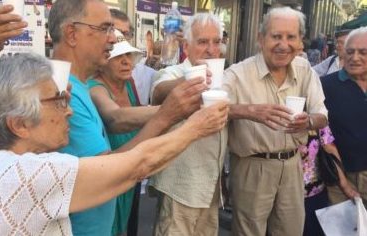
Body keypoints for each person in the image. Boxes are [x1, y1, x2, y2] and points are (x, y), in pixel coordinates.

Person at [0, 53, 229, 235]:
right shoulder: (24, 175)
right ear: (19, 124)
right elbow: (136, 166)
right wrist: (196, 126)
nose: (68, 110)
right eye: (58, 101)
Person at [48, 0, 207, 235]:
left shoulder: (75, 85)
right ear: (72, 34)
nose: (113, 39)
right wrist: (173, 117)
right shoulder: (61, 92)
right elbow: (108, 171)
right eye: (104, 28)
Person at [221, 7, 328, 236]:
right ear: (261, 39)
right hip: (251, 166)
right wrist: (248, 110)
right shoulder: (237, 74)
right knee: (248, 232)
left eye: (291, 37)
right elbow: (211, 108)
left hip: (292, 166)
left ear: (300, 42)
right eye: (276, 36)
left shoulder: (304, 68)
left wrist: (308, 121)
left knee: (290, 231)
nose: (283, 44)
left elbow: (322, 116)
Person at [149, 13, 226, 236]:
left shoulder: (223, 77)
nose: (211, 49)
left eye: (216, 42)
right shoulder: (173, 73)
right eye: (203, 42)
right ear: (187, 46)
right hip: (179, 190)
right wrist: (192, 79)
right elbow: (159, 91)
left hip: (210, 190)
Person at [89, 30, 156, 235]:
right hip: (109, 177)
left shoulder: (128, 84)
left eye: (128, 55)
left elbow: (138, 116)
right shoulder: (95, 88)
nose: (126, 62)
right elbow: (116, 118)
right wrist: (171, 109)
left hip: (131, 173)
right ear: (103, 62)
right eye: (118, 57)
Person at [321, 26, 367, 205]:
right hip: (340, 179)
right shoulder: (325, 86)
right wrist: (343, 183)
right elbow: (324, 137)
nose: (355, 58)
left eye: (363, 52)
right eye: (350, 51)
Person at [111, 8, 156, 106]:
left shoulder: (131, 76)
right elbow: (114, 115)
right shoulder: (95, 82)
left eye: (126, 34)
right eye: (117, 32)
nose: (121, 38)